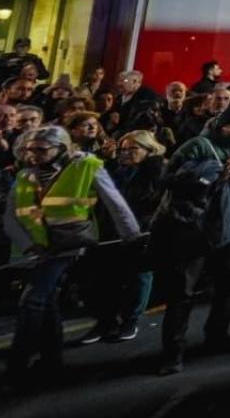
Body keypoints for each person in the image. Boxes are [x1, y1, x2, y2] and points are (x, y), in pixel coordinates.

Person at [0, 125, 141, 384]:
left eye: (41, 150)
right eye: (29, 149)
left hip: (69, 243)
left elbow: (115, 203)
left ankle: (18, 363)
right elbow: (11, 218)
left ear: (61, 148)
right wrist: (29, 246)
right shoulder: (25, 175)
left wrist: (132, 236)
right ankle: (51, 361)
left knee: (32, 300)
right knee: (47, 300)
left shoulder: (87, 166)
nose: (33, 155)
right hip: (36, 249)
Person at [156, 103, 230, 374]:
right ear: (229, 124)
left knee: (228, 286)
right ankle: (173, 353)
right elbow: (168, 180)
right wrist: (217, 176)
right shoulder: (198, 146)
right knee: (182, 291)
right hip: (197, 228)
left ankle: (217, 337)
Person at [85, 130, 167, 344]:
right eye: (123, 149)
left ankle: (130, 320)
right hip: (111, 230)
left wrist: (146, 226)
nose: (127, 153)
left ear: (148, 149)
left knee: (138, 277)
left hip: (141, 229)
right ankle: (106, 321)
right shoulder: (115, 169)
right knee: (106, 278)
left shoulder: (157, 170)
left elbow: (157, 202)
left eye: (133, 148)